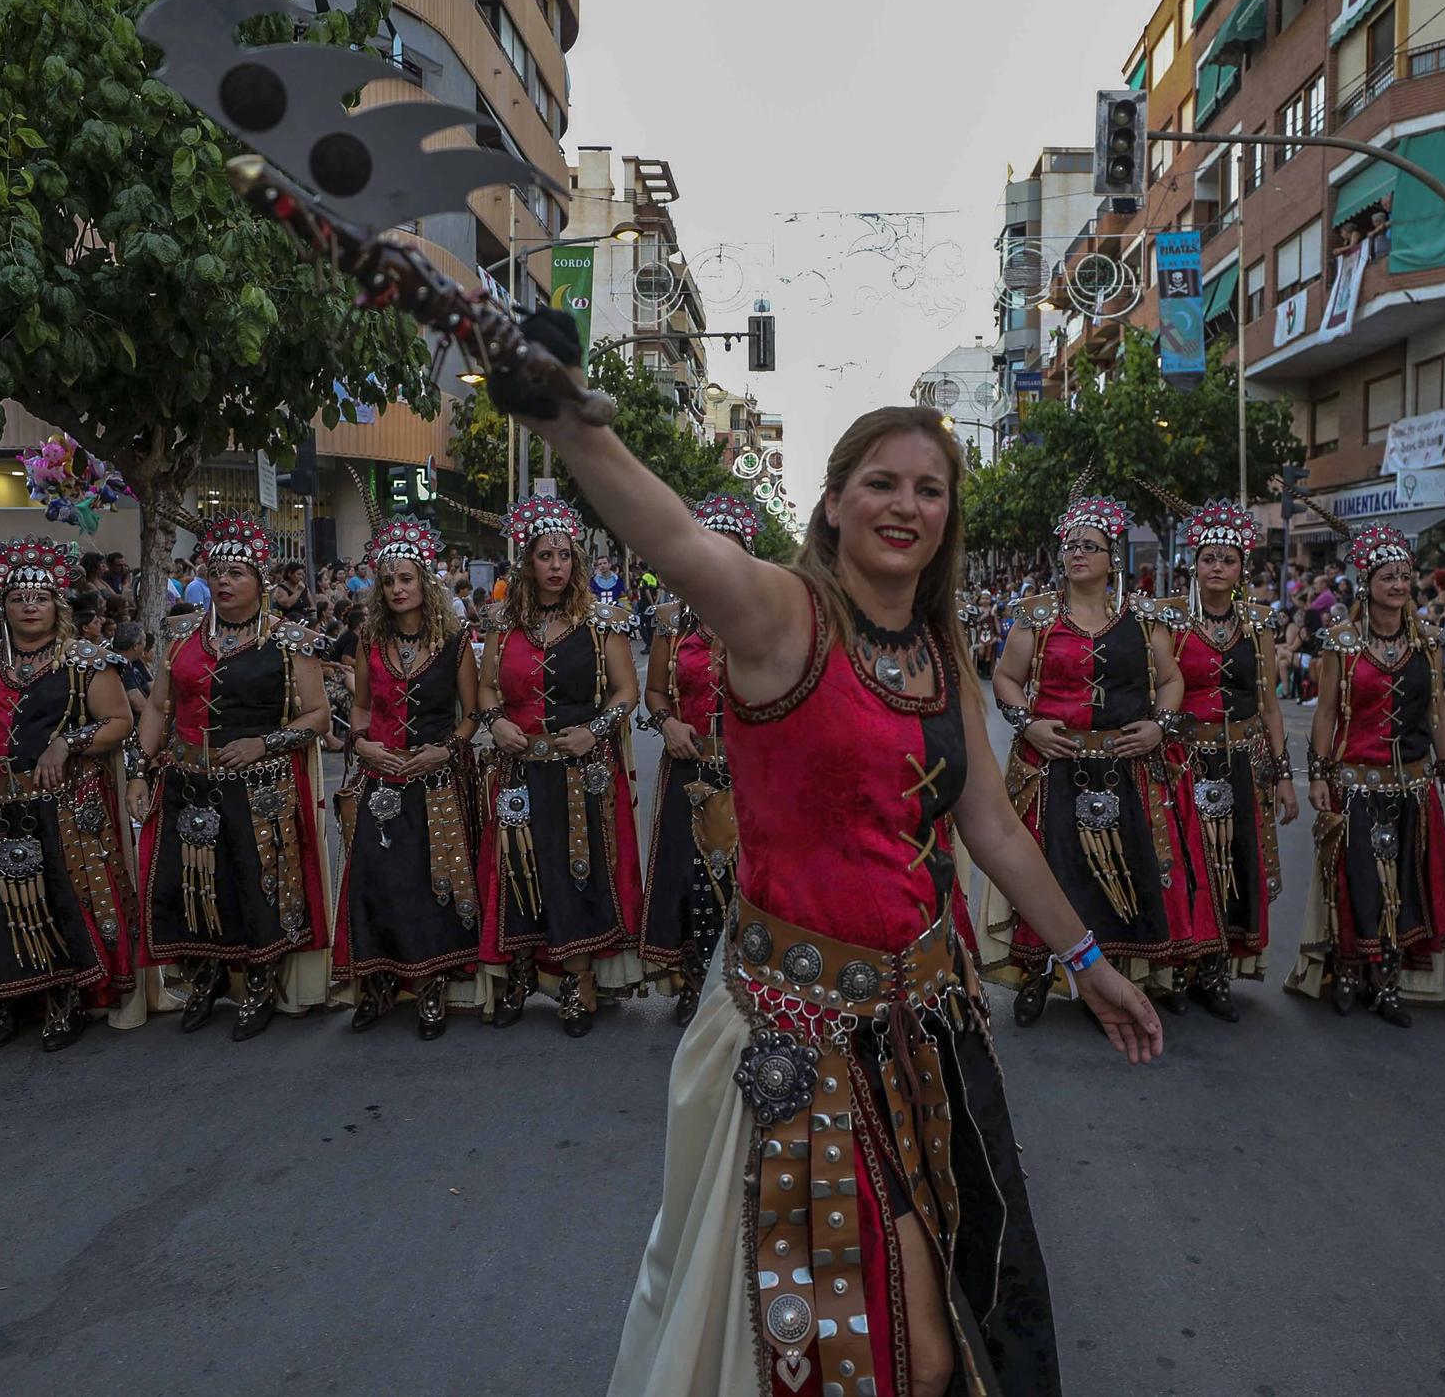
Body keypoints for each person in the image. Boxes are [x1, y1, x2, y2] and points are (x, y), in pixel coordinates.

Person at [484, 317, 1159, 1396]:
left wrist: (1088, 961)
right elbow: (677, 542)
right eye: (880, 483)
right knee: (858, 1345)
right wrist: (571, 427)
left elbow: (987, 825)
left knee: (947, 1326)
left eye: (929, 489)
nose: (905, 505)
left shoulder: (938, 650)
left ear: (948, 517)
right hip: (798, 1034)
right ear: (834, 500)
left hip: (930, 1027)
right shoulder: (780, 618)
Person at [984, 476, 1217, 1025]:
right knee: (1051, 873)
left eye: (1090, 546)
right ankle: (1039, 973)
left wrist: (1160, 726)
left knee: (1126, 871)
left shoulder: (1143, 619)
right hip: (1054, 767)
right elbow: (1005, 677)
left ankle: (1116, 980)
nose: (1077, 554)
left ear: (1114, 558)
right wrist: (1029, 723)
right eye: (1070, 545)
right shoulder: (1037, 616)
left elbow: (1173, 680)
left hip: (1129, 767)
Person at [128, 508, 332, 1041]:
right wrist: (136, 770)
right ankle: (207, 976)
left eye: (236, 572)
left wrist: (265, 741)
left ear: (261, 582)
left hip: (260, 789)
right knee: (193, 884)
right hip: (187, 783)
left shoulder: (291, 641)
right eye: (215, 572)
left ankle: (261, 980)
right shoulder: (179, 635)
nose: (223, 581)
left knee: (255, 885)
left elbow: (318, 716)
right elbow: (157, 707)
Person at [0, 534, 139, 1051]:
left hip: (67, 806)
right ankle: (8, 996)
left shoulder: (86, 660)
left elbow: (120, 721)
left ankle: (67, 996)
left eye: (41, 597)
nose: (30, 606)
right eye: (17, 598)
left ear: (59, 605)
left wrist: (68, 744)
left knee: (62, 900)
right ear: (2, 606)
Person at [1286, 511, 1445, 1028]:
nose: (1397, 584)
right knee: (1356, 881)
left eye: (1404, 576)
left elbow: (1437, 714)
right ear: (1366, 585)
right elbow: (1324, 714)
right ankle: (1347, 969)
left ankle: (1388, 977)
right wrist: (1318, 773)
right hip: (1354, 782)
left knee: (1405, 883)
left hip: (1411, 782)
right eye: (1386, 577)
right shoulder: (1342, 643)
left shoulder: (1430, 643)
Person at [474, 494, 644, 1037]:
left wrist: (591, 731)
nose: (555, 566)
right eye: (545, 556)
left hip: (582, 771)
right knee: (519, 869)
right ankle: (519, 976)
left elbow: (626, 692)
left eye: (564, 556)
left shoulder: (601, 622)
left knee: (577, 871)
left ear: (577, 561)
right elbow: (484, 690)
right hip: (519, 768)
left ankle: (578, 981)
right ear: (527, 562)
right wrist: (495, 721)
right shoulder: (503, 622)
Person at [1142, 491, 1300, 1020]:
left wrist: (1282, 776)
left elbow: (1271, 705)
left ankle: (1216, 973)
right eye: (1209, 557)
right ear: (1194, 562)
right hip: (1183, 758)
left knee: (1233, 863)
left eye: (1227, 559)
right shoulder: (1166, 618)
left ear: (1241, 567)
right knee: (1191, 862)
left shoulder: (1257, 623)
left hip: (1243, 761)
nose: (1217, 566)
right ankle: (1180, 969)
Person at [333, 510, 482, 1040]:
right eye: (389, 580)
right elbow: (359, 711)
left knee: (430, 881)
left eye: (407, 578)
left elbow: (473, 714)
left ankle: (432, 985)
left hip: (438, 780)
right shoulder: (370, 643)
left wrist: (446, 751)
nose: (398, 589)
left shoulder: (455, 642)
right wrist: (365, 745)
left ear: (426, 582)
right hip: (382, 778)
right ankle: (376, 983)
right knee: (376, 879)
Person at [637, 496, 756, 1026]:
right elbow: (655, 692)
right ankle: (693, 979)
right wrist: (668, 724)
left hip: (751, 774)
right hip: (689, 768)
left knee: (749, 878)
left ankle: (749, 983)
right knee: (688, 877)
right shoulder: (671, 622)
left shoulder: (764, 621)